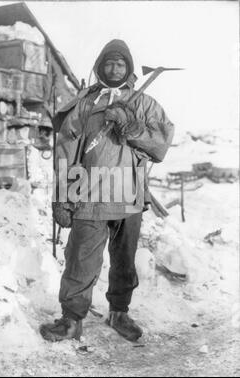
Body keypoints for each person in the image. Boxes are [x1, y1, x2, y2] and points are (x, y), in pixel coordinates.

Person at [40, 39, 174, 342]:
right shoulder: (85, 104)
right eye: (109, 63)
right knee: (80, 258)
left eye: (120, 64)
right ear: (100, 66)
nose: (114, 69)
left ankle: (119, 312)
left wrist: (130, 126)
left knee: (124, 259)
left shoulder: (145, 104)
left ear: (128, 68)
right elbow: (67, 152)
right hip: (90, 196)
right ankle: (71, 320)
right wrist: (63, 196)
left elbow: (161, 143)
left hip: (129, 193)